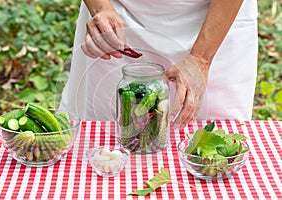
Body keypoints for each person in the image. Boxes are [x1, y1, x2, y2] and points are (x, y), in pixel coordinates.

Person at [59, 0, 258, 129]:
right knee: (106, 140)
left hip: (218, 18)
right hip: (116, 12)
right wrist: (100, 8)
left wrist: (201, 58)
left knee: (217, 145)